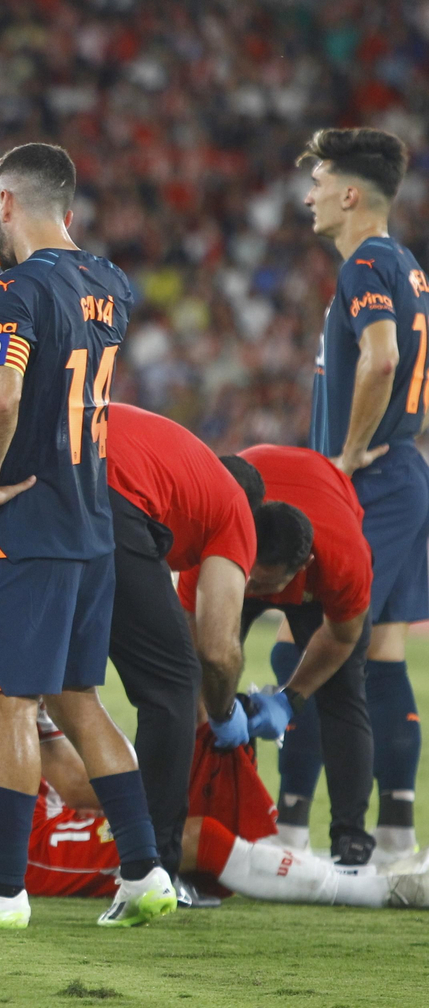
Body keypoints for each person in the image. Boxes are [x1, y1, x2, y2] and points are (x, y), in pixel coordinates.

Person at [0, 143, 173, 929]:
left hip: (29, 525)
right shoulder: (111, 286)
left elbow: (2, 392)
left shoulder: (14, 289)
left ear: (8, 203)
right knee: (80, 700)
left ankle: (1, 891)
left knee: (4, 705)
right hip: (92, 523)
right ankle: (146, 869)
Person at [0, 687, 429, 910]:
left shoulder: (7, 658)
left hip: (22, 830)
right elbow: (79, 785)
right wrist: (167, 788)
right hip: (24, 851)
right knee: (191, 835)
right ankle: (378, 891)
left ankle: (352, 874)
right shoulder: (24, 673)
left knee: (181, 827)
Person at [299, 127, 427, 864]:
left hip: (372, 482)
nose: (308, 196)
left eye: (317, 183)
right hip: (405, 473)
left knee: (320, 645)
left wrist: (344, 456)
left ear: (351, 195)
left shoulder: (365, 267)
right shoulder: (409, 267)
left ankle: (297, 831)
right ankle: (397, 840)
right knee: (382, 658)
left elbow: (380, 359)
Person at [180, 445, 376, 863]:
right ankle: (192, 815)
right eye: (246, 581)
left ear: (302, 565)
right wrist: (215, 710)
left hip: (327, 500)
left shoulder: (343, 560)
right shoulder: (217, 534)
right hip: (236, 541)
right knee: (185, 688)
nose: (249, 592)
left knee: (343, 692)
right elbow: (193, 645)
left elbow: (341, 639)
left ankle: (351, 837)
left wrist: (290, 699)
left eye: (262, 586)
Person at [103, 403, 257, 887]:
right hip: (110, 490)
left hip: (51, 463)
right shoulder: (234, 510)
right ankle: (152, 866)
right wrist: (224, 709)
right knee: (173, 685)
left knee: (52, 679)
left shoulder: (186, 479)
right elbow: (217, 650)